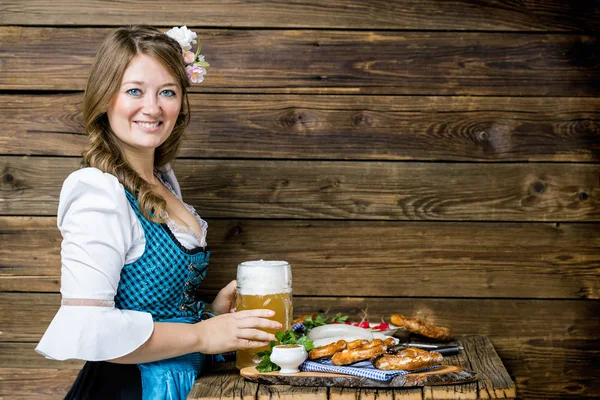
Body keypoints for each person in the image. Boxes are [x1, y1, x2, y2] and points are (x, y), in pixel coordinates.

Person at [35, 25, 281, 400]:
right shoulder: (97, 192)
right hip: (131, 389)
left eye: (167, 91)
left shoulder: (162, 180)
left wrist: (208, 313)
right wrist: (202, 335)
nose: (152, 107)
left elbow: (153, 304)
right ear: (105, 98)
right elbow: (90, 328)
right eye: (134, 90)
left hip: (182, 381)